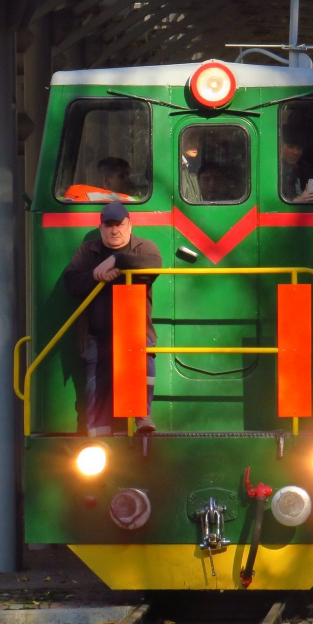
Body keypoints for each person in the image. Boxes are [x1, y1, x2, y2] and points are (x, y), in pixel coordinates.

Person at [62, 201, 163, 436]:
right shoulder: (87, 251)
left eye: (119, 224)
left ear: (129, 225)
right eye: (109, 225)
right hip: (96, 334)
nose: (114, 230)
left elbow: (154, 264)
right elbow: (72, 282)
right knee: (95, 383)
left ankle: (142, 417)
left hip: (134, 332)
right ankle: (99, 435)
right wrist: (98, 276)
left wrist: (118, 261)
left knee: (143, 362)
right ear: (100, 228)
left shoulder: (144, 247)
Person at [179, 126, 203, 202]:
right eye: (190, 139)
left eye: (198, 140)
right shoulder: (177, 169)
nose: (197, 145)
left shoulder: (190, 168)